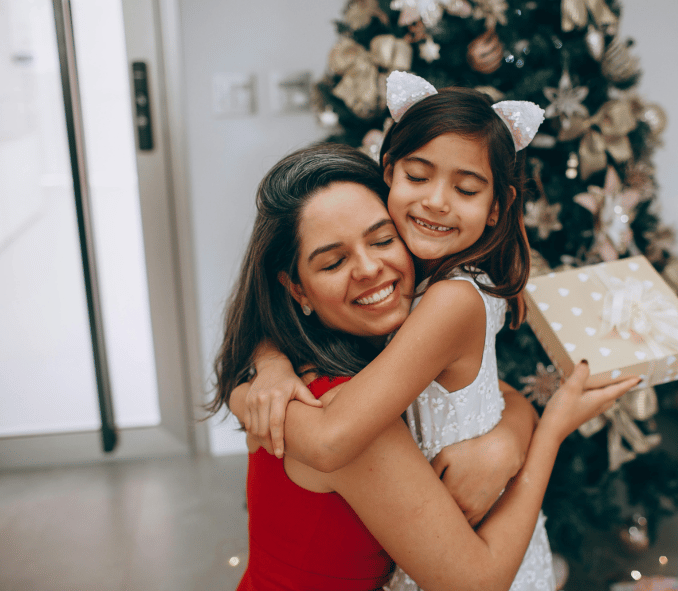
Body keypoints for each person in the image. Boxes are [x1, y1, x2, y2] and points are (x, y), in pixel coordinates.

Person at [244, 73, 637, 590]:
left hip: (480, 549)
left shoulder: (450, 297)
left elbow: (329, 439)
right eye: (418, 177)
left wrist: (537, 433)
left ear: (496, 206)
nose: (436, 202)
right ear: (390, 175)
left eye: (467, 189)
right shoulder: (423, 275)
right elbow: (490, 396)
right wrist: (265, 362)